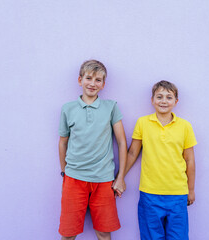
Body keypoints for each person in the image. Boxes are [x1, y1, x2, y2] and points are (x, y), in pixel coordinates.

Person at [58, 60, 127, 240]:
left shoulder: (111, 107)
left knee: (104, 232)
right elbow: (62, 142)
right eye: (88, 78)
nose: (92, 83)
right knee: (68, 233)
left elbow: (121, 142)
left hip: (103, 179)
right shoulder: (68, 109)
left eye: (98, 80)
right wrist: (65, 171)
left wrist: (120, 178)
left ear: (103, 84)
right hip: (74, 179)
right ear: (80, 80)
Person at [124, 80, 197, 240]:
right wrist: (120, 177)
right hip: (150, 193)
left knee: (178, 237)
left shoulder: (185, 126)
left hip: (177, 193)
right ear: (152, 100)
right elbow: (132, 153)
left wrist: (190, 189)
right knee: (151, 236)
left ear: (176, 102)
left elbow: (190, 160)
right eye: (159, 96)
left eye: (169, 97)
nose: (164, 101)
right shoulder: (143, 123)